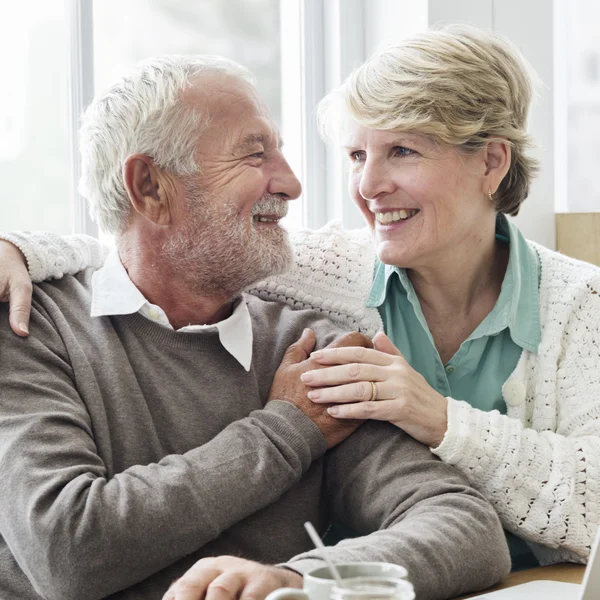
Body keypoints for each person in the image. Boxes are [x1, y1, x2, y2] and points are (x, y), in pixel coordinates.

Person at [3, 24, 600, 577]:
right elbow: (138, 246)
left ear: (491, 161)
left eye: (405, 151)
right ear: (150, 186)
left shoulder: (312, 341)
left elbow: (467, 529)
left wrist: (296, 582)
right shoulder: (31, 325)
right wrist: (17, 250)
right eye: (358, 155)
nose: (362, 187)